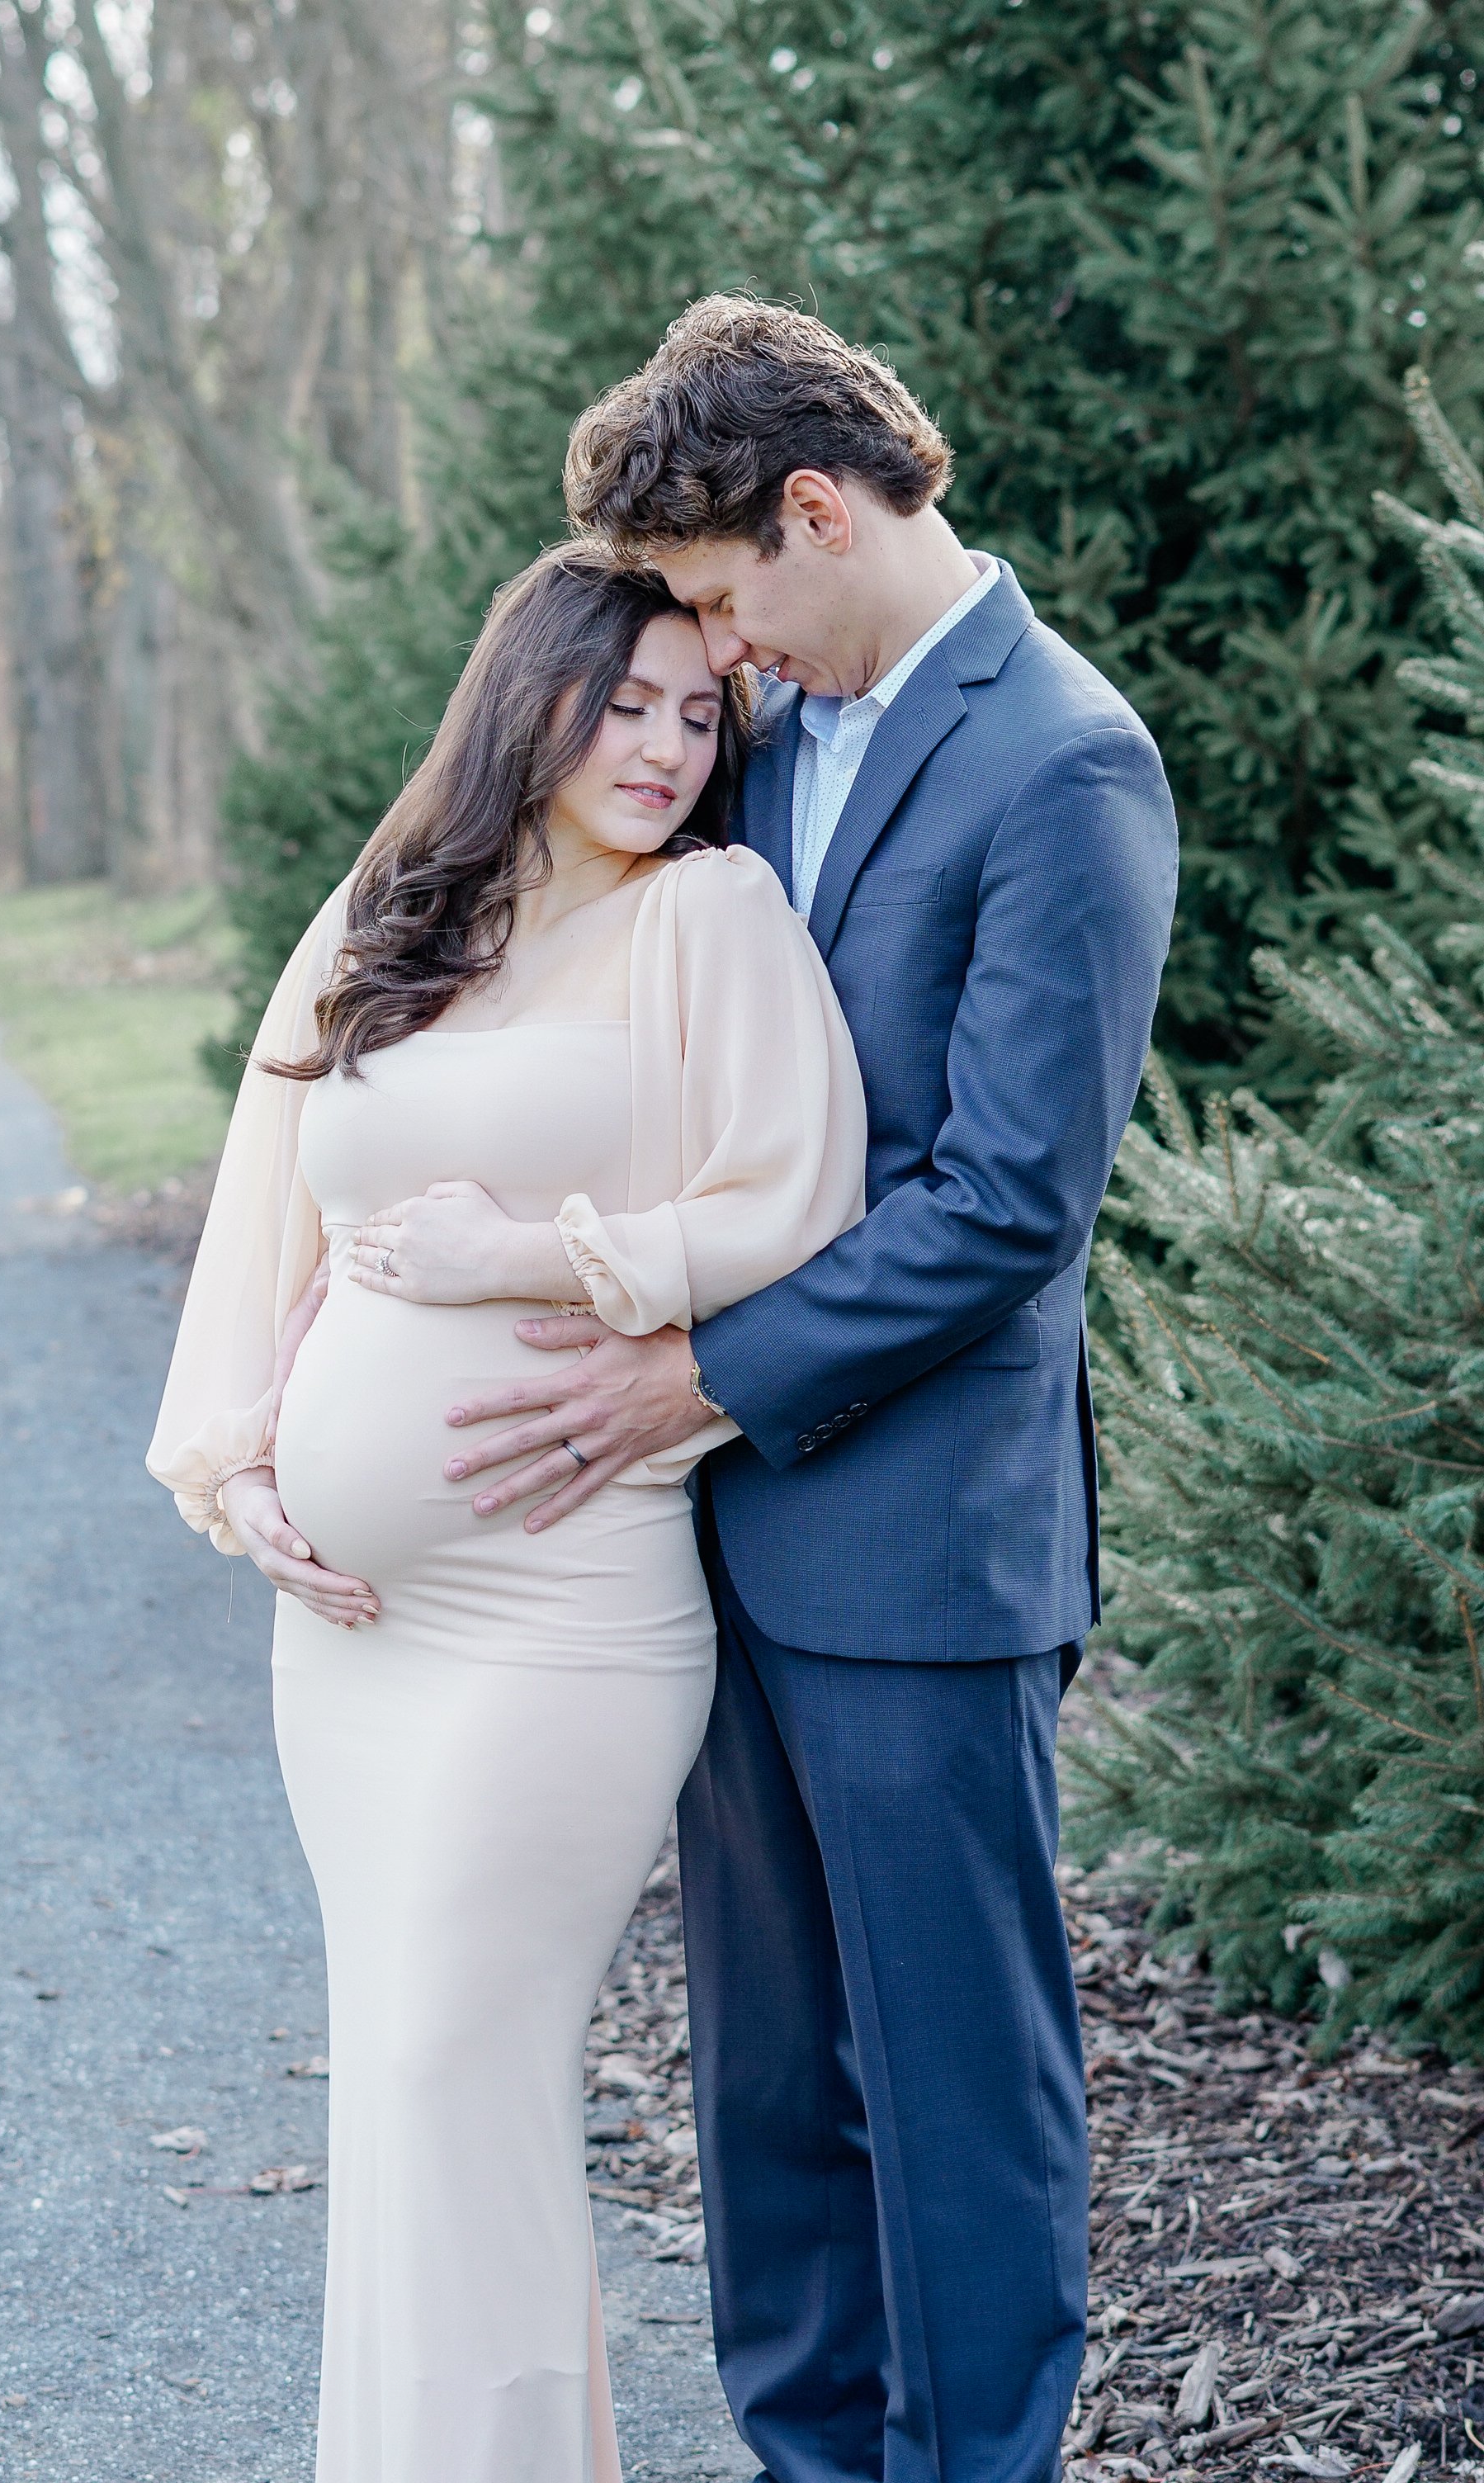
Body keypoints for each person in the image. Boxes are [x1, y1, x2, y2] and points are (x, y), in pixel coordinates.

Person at [436, 299, 1179, 2483]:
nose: (715, 651)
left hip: (919, 1544)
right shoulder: (761, 733)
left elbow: (1007, 1201)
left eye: (728, 592)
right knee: (764, 2081)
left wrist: (698, 1376)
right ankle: (811, 2457)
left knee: (952, 2080)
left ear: (822, 509)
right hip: (712, 1545)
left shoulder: (1066, 760)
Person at [145, 538, 866, 2483]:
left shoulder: (708, 916)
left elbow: (796, 1206)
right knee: (399, 2083)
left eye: (693, 711)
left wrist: (532, 1249)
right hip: (354, 1639)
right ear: (523, 697)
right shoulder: (401, 906)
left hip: (565, 1610)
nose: (659, 743)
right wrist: (245, 1464)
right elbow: (274, 1203)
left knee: (455, 2057)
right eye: (619, 701)